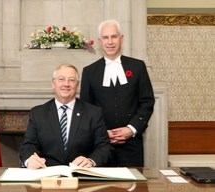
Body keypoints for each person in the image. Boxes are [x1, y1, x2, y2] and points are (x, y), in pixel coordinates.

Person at [80, 19, 155, 167]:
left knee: (133, 188)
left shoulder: (138, 66)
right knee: (101, 189)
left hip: (132, 144)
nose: (110, 42)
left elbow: (147, 102)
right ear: (100, 41)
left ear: (121, 39)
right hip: (100, 145)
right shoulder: (89, 71)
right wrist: (103, 133)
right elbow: (86, 109)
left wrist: (131, 129)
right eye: (106, 37)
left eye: (114, 36)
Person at [19, 63, 111, 169]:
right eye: (61, 79)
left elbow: (104, 147)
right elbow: (28, 145)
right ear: (53, 84)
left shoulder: (93, 113)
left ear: (77, 85)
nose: (66, 84)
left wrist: (91, 161)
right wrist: (30, 160)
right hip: (47, 174)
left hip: (81, 174)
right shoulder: (38, 113)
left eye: (71, 80)